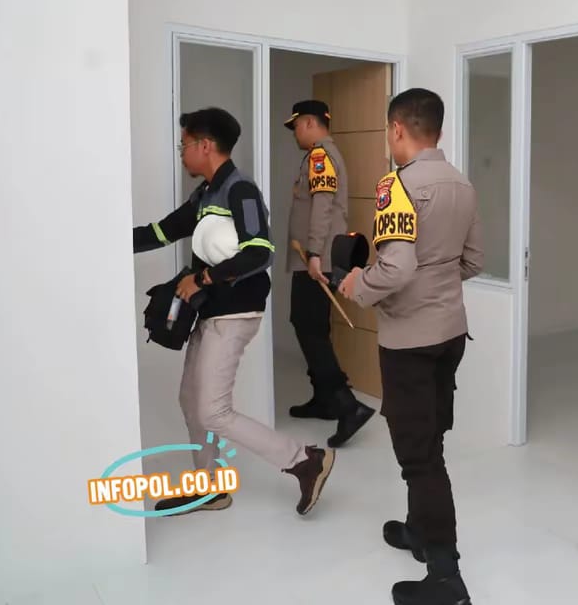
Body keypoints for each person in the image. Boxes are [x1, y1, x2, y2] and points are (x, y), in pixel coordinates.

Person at [133, 106, 336, 516]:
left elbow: (259, 251)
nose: (181, 153)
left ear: (205, 145)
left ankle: (304, 459)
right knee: (192, 400)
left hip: (236, 311)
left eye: (184, 145)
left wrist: (203, 278)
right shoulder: (206, 195)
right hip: (211, 311)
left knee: (213, 410)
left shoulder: (240, 190)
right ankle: (210, 489)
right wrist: (106, 239)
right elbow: (162, 231)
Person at [339, 88, 483, 605]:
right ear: (436, 130)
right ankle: (419, 530)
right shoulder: (462, 184)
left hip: (410, 341)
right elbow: (473, 260)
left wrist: (358, 284)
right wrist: (436, 286)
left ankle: (446, 576)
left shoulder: (395, 186)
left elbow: (397, 268)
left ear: (397, 129)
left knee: (418, 455)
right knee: (430, 439)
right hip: (450, 333)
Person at [283, 99, 375, 447]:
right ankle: (324, 399)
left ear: (309, 123)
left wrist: (315, 254)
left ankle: (348, 406)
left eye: (297, 126)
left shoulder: (320, 157)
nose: (295, 134)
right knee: (313, 327)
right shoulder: (320, 155)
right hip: (314, 257)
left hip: (315, 261)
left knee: (308, 327)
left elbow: (322, 207)